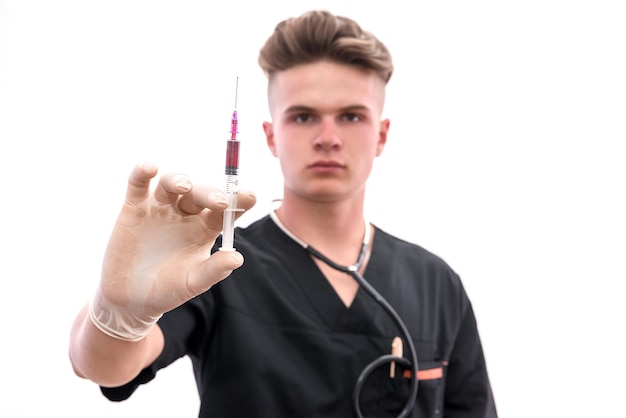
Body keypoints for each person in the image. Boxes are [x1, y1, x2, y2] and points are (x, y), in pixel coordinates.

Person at [69, 9, 497, 418]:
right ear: (271, 136)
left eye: (350, 115)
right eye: (304, 116)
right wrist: (116, 317)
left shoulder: (435, 284)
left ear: (381, 134)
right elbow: (104, 367)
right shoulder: (217, 266)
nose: (328, 138)